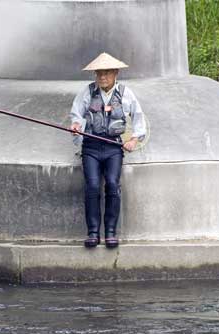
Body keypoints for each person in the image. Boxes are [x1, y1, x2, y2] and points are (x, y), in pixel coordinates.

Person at [70, 52, 146, 249]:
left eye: (106, 73)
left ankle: (111, 232)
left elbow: (138, 117)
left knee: (112, 184)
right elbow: (76, 114)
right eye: (99, 73)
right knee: (92, 186)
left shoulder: (125, 93)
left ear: (115, 73)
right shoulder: (87, 92)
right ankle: (93, 232)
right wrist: (76, 126)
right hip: (91, 147)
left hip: (113, 147)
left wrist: (134, 139)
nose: (102, 77)